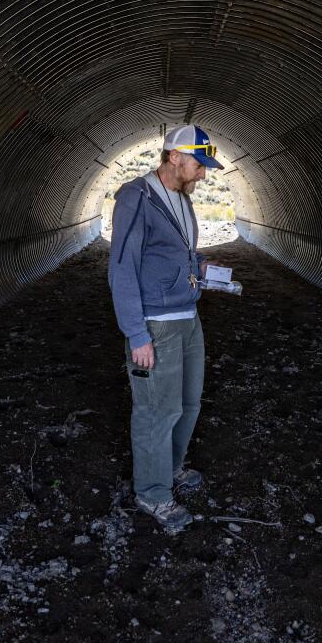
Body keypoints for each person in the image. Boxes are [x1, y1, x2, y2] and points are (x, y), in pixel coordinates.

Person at [108, 125, 223, 530]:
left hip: (188, 318)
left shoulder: (181, 198)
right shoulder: (136, 197)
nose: (203, 174)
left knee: (188, 402)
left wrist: (201, 265)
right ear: (174, 157)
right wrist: (137, 334)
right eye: (199, 165)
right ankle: (153, 494)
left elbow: (177, 251)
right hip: (156, 324)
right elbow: (122, 267)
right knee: (157, 411)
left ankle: (171, 467)